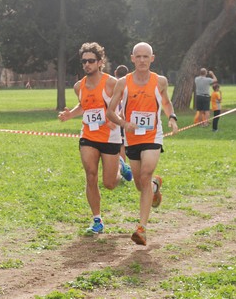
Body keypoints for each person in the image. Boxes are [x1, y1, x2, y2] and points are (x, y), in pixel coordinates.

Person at [107, 42, 179, 246]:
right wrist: (123, 123)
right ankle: (155, 187)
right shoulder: (123, 83)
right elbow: (110, 111)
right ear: (132, 58)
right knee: (141, 184)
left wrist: (171, 117)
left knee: (145, 174)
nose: (142, 60)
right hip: (132, 138)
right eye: (138, 57)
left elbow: (166, 102)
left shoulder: (160, 81)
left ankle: (142, 228)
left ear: (152, 59)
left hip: (152, 136)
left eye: (145, 57)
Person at [58, 43, 132, 235]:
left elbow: (122, 104)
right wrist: (70, 114)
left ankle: (120, 166)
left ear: (100, 62)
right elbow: (84, 105)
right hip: (88, 136)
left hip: (110, 137)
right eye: (84, 61)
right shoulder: (78, 86)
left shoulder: (111, 83)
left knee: (109, 184)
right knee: (90, 175)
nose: (87, 65)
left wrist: (116, 119)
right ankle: (97, 220)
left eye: (91, 61)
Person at [113, 65, 130, 166]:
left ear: (115, 72)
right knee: (122, 144)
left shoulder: (112, 83)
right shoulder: (128, 83)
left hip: (113, 116)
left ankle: (118, 167)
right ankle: (123, 169)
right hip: (123, 115)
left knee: (116, 144)